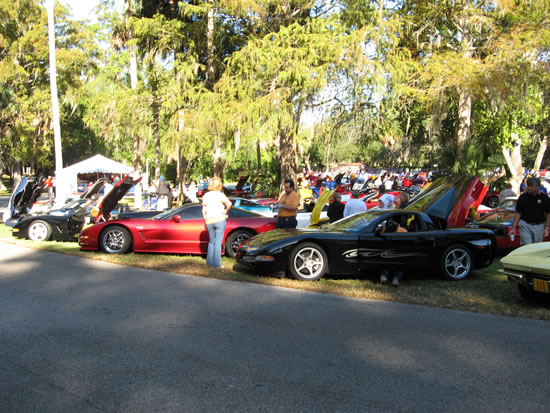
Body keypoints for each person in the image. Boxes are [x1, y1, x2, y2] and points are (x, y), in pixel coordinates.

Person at [202, 177, 232, 268]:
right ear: (219, 185)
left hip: (209, 220)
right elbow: (229, 204)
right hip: (219, 219)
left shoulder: (206, 195)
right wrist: (225, 211)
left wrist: (205, 217)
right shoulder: (220, 195)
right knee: (218, 242)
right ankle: (217, 264)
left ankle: (209, 262)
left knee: (211, 241)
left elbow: (204, 209)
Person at [510, 177, 550, 245]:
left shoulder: (544, 198)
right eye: (528, 186)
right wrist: (513, 228)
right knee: (527, 245)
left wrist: (546, 228)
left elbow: (548, 214)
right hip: (525, 224)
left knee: (536, 246)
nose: (529, 188)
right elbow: (518, 213)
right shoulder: (523, 197)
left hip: (539, 226)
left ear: (537, 187)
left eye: (531, 186)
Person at [379, 219, 408, 287]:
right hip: (389, 250)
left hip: (399, 251)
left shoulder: (403, 231)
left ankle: (395, 278)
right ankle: (385, 276)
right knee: (384, 259)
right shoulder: (384, 229)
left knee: (400, 263)